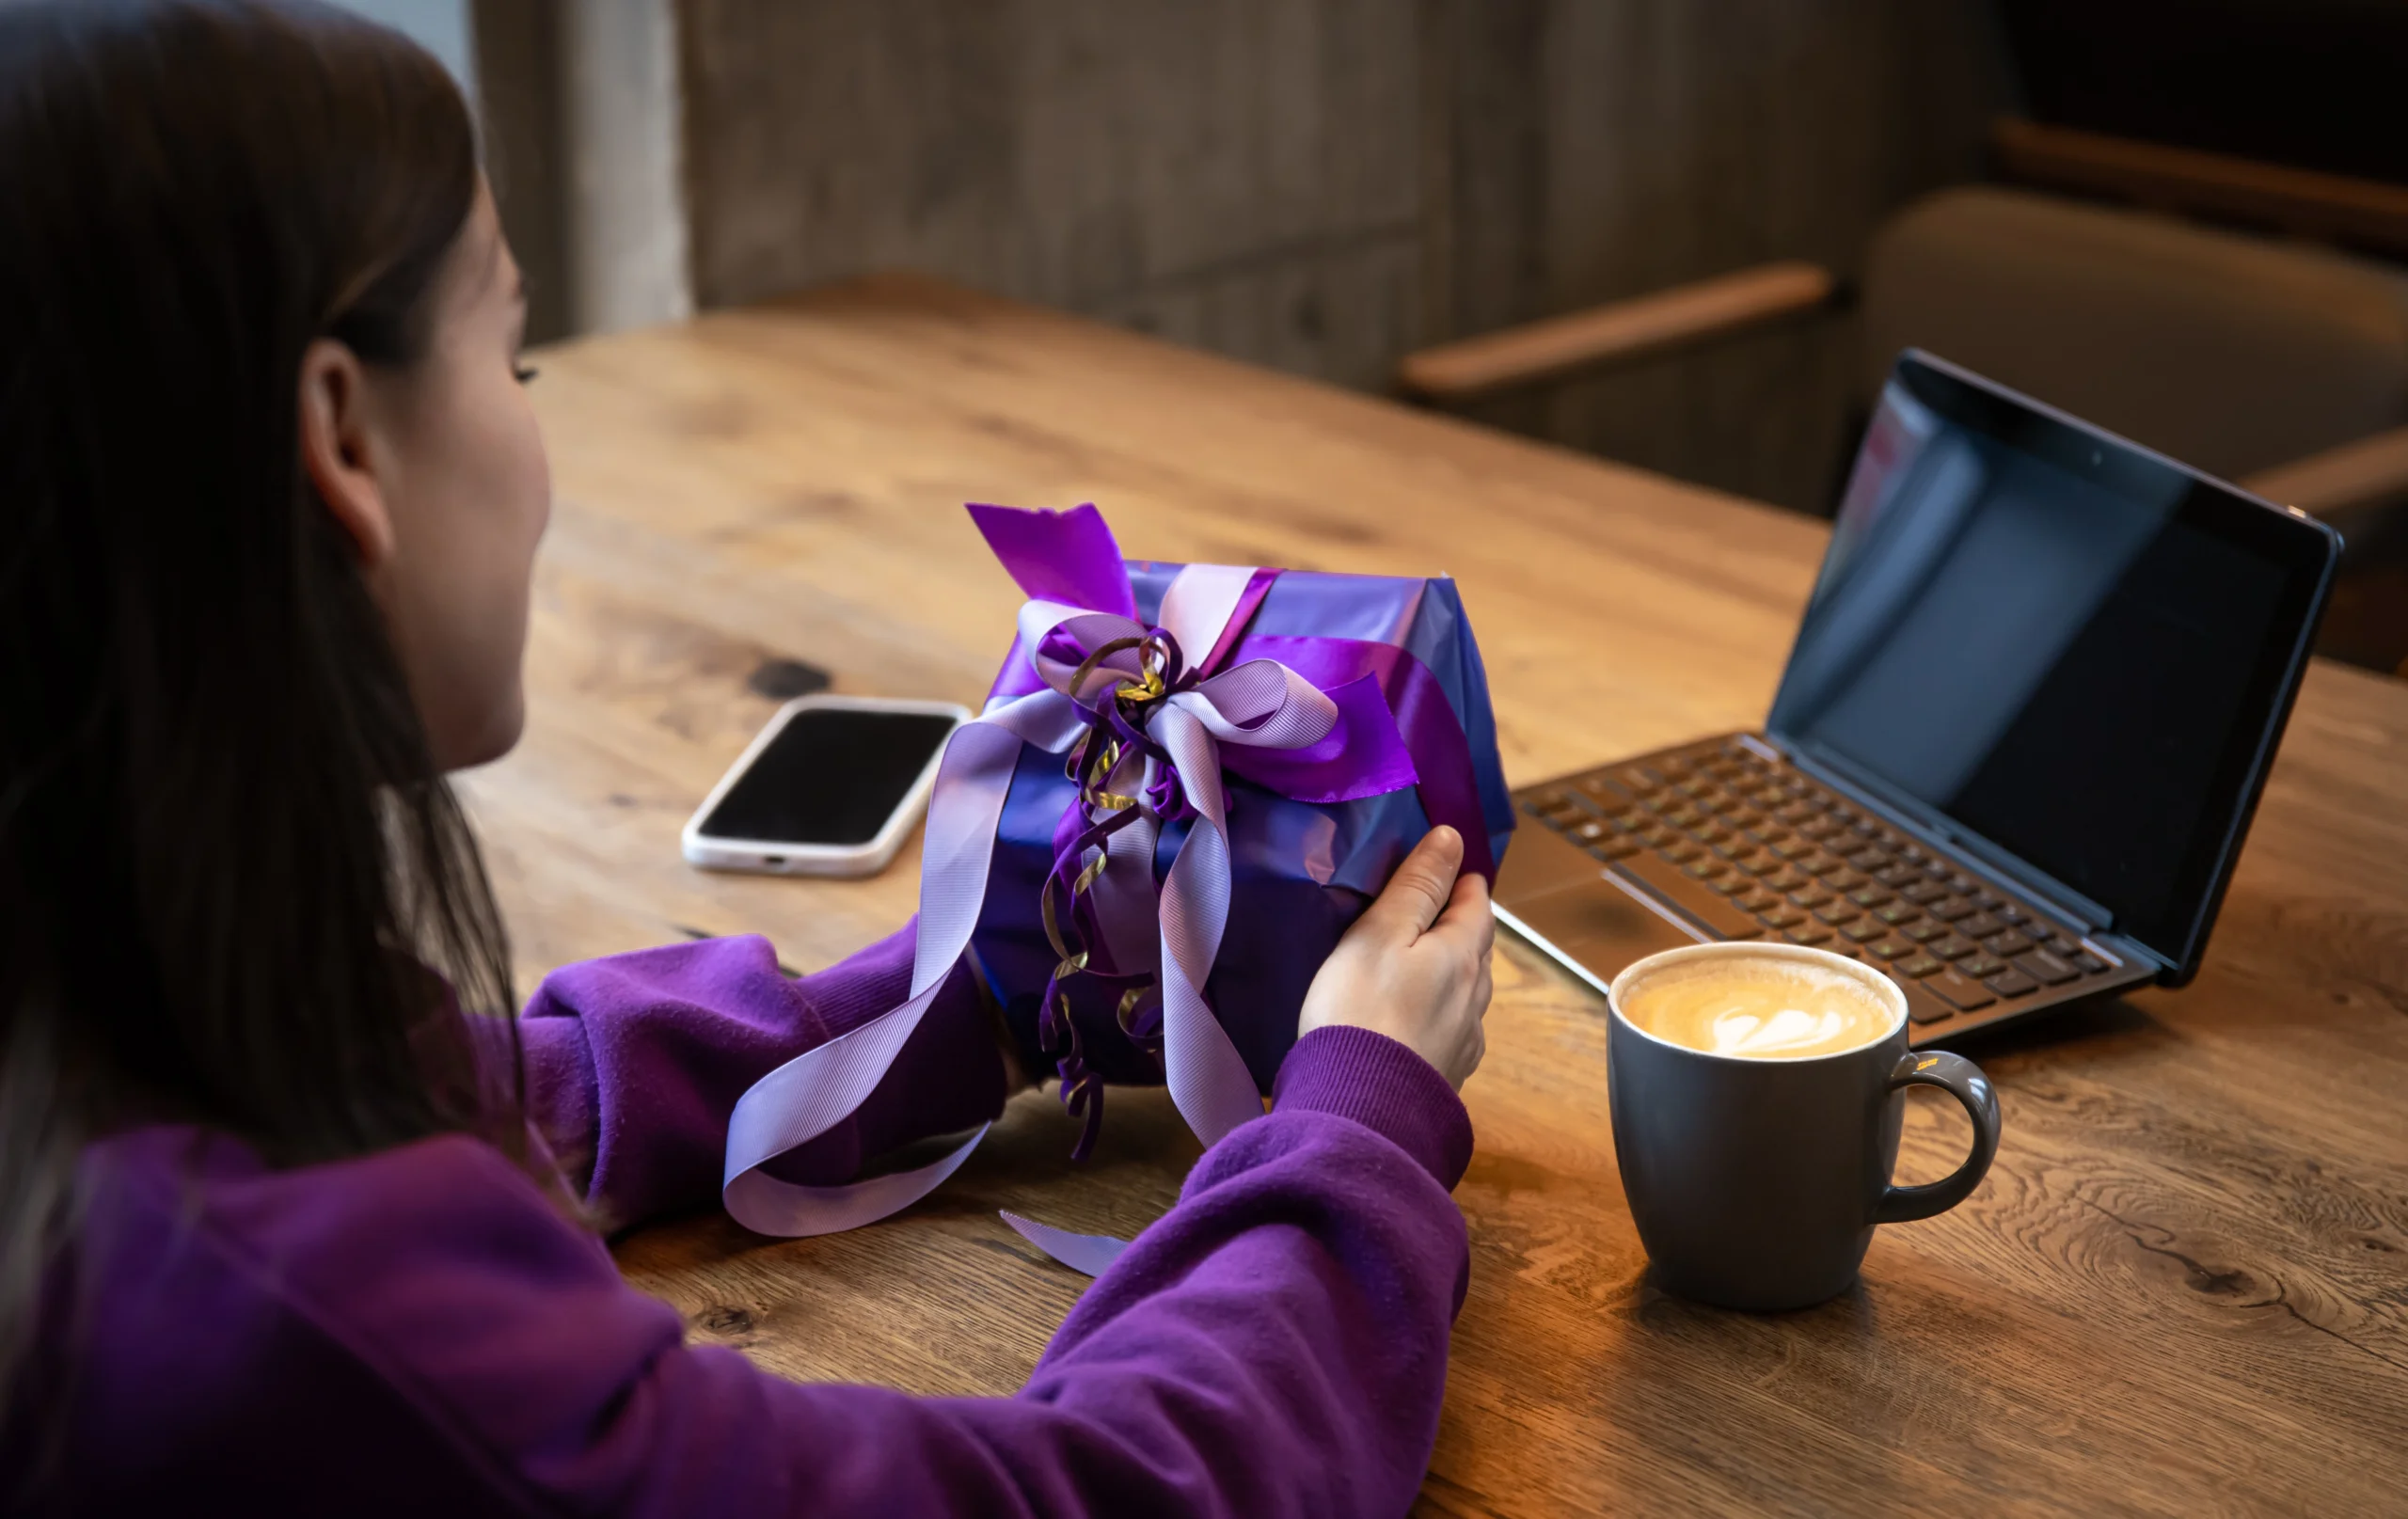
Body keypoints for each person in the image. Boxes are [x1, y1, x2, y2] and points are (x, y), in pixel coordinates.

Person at [0, 2, 1497, 1513]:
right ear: (343, 441)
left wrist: (960, 1000)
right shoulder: (322, 1328)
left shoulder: (107, 1024)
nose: (536, 444)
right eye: (515, 359)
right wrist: (1351, 1124)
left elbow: (482, 1087)